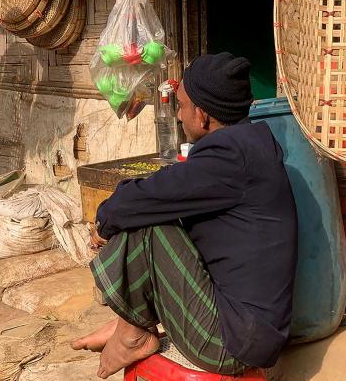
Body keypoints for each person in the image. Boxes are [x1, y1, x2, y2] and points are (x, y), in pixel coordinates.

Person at [71, 52, 298, 379]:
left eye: (181, 106)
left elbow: (140, 200)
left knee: (149, 223)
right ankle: (130, 323)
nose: (178, 116)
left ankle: (132, 331)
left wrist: (104, 220)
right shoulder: (251, 144)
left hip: (231, 344)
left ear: (202, 116)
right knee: (158, 211)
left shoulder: (228, 155)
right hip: (251, 330)